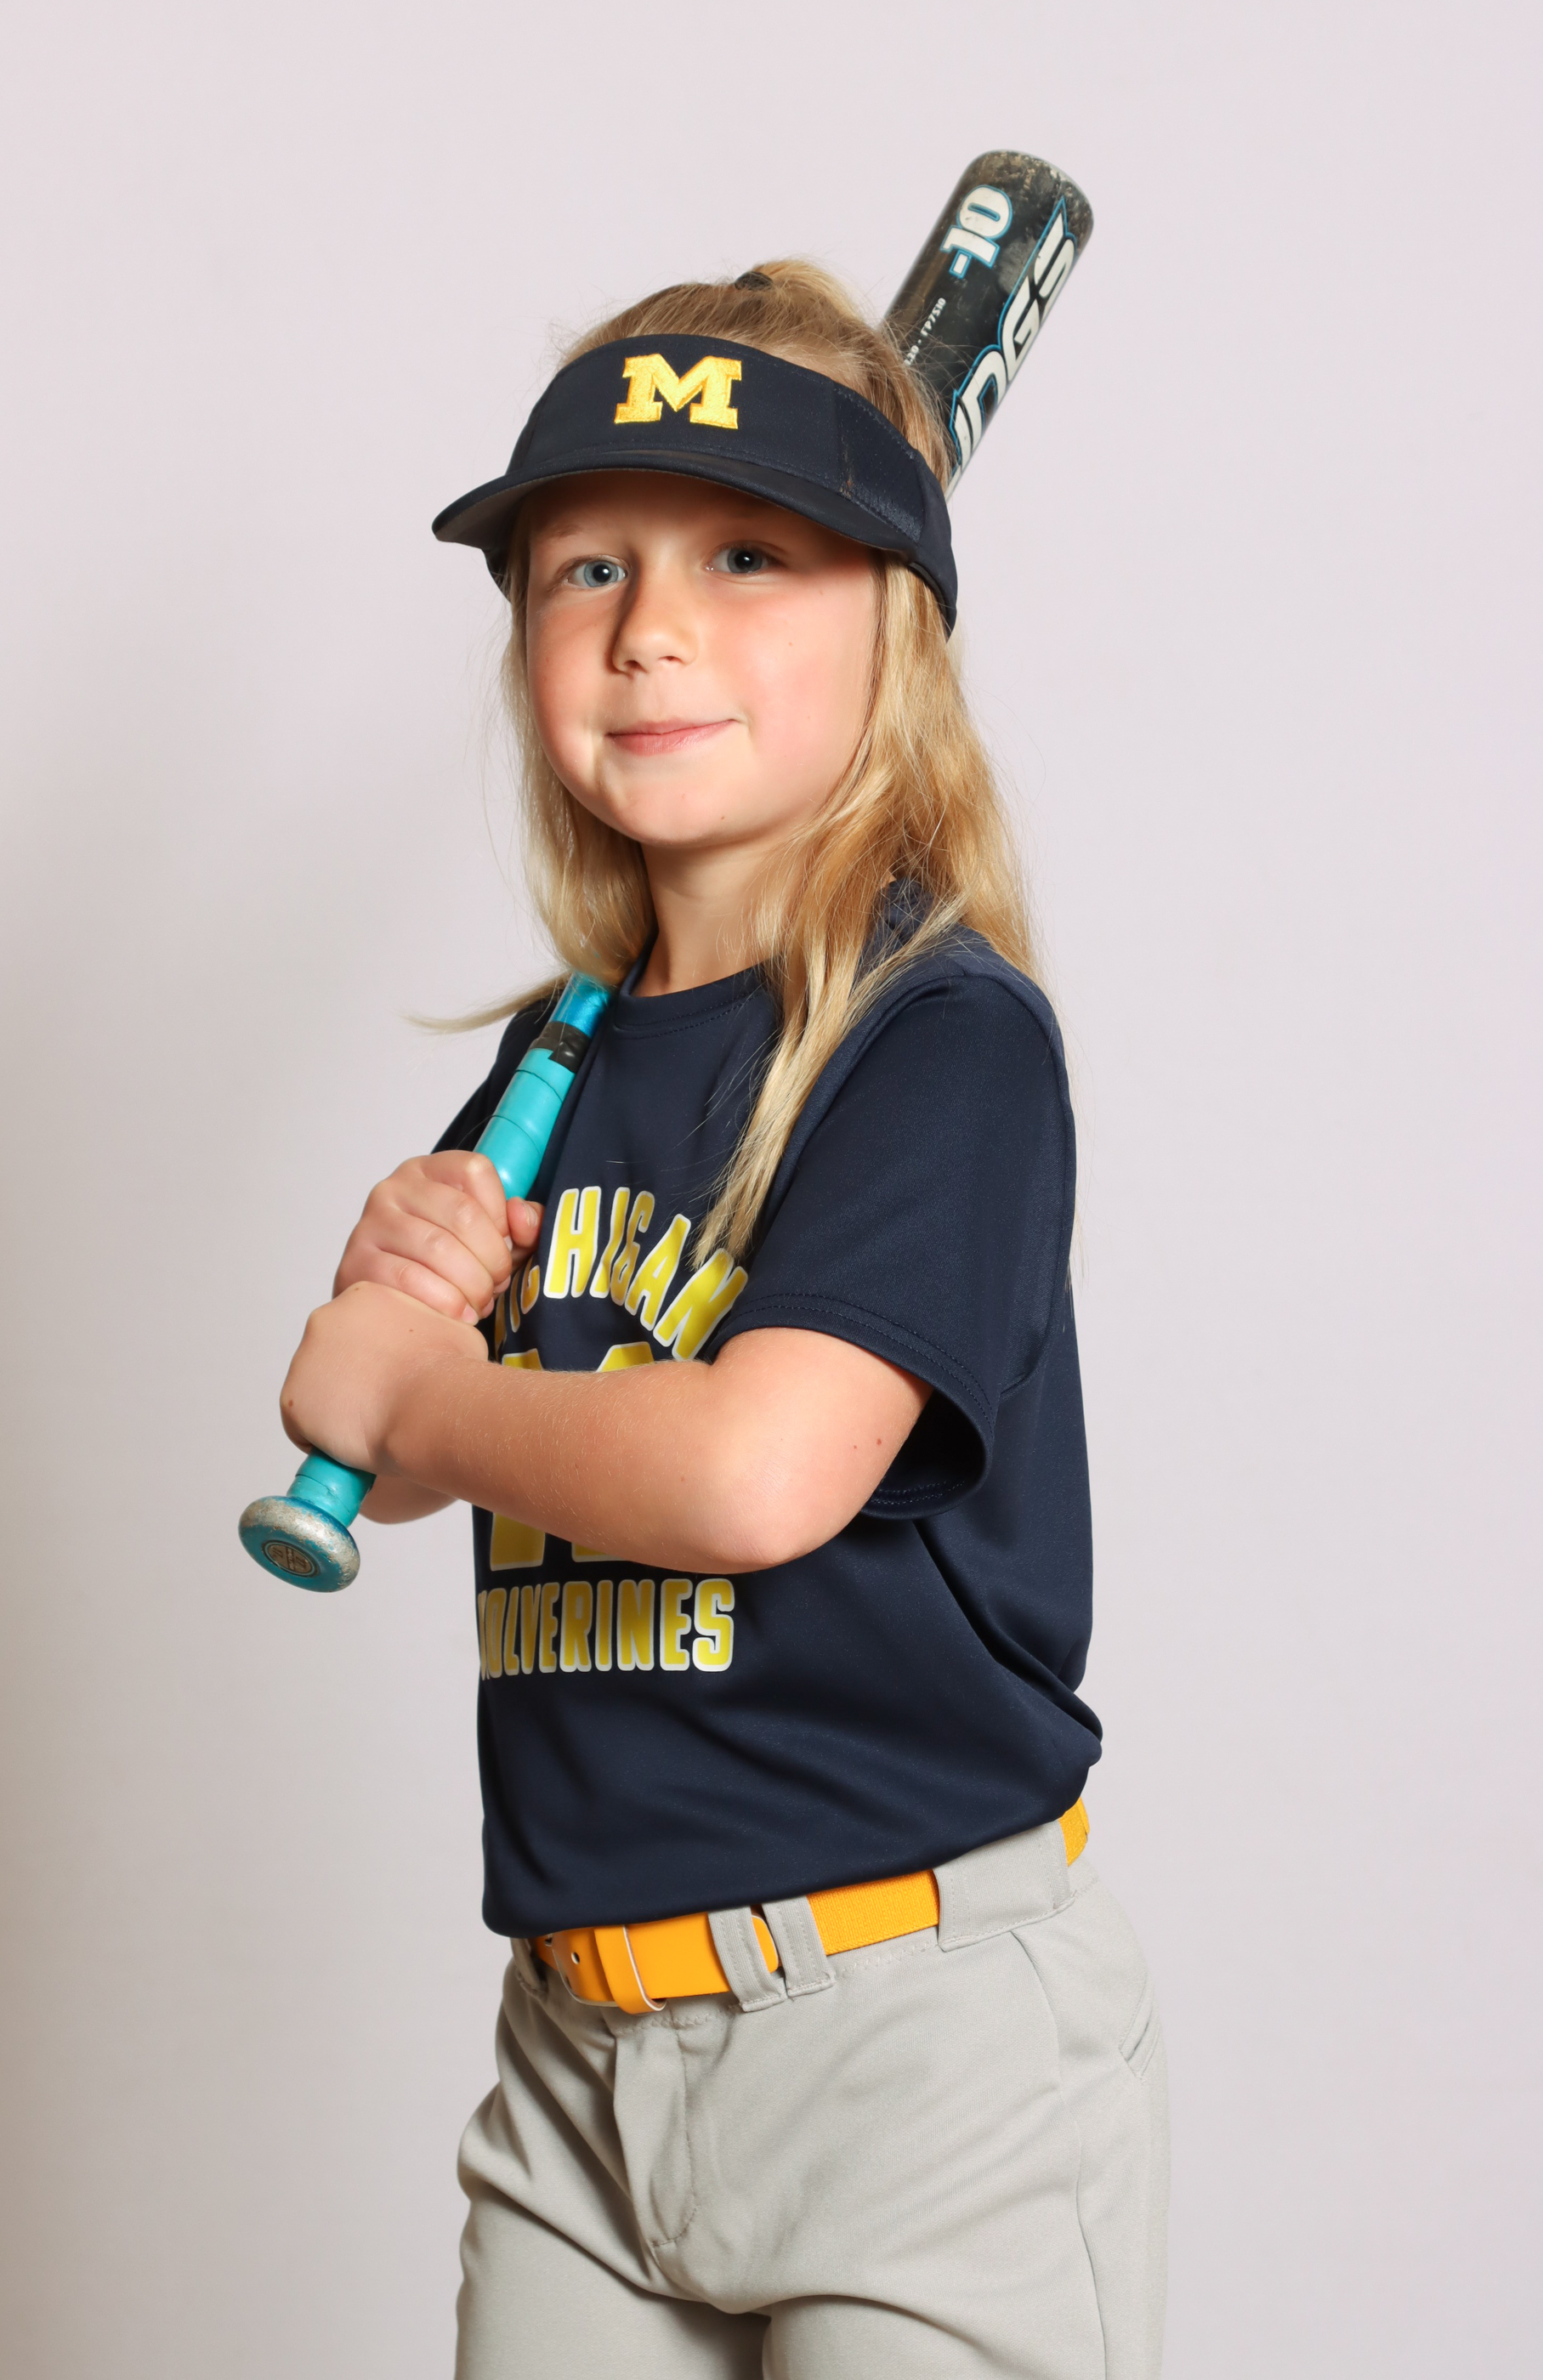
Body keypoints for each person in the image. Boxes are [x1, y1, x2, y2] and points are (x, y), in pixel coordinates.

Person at [275, 260, 1169, 2377]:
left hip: (916, 2047)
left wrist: (414, 1394)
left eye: (747, 555)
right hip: (580, 2061)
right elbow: (378, 1449)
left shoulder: (939, 1040)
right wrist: (389, 1303)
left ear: (894, 627)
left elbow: (757, 1470)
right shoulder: (557, 1059)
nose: (649, 627)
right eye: (586, 564)